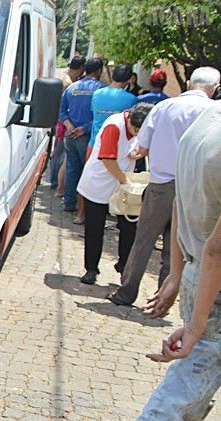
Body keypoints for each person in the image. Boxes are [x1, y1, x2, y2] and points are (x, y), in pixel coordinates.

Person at [59, 97, 221, 421]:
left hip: (201, 276)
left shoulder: (208, 120)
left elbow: (174, 203)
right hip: (219, 290)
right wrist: (194, 325)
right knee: (178, 393)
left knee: (194, 387)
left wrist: (176, 273)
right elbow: (220, 247)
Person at [108, 67, 221, 306]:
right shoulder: (214, 113)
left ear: (189, 83)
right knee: (176, 247)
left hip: (161, 185)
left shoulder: (164, 108)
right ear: (216, 89)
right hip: (193, 189)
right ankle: (163, 297)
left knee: (144, 240)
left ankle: (126, 293)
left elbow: (143, 146)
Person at [76, 102, 153, 285]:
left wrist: (138, 154)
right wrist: (125, 181)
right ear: (131, 122)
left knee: (128, 228)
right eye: (137, 131)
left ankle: (124, 265)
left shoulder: (141, 126)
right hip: (100, 182)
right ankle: (91, 269)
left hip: (122, 185)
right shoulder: (114, 125)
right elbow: (107, 159)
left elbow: (142, 148)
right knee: (94, 228)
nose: (138, 134)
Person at [59, 57, 105, 222]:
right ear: (99, 70)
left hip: (70, 134)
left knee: (72, 168)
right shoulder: (102, 90)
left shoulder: (72, 87)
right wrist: (84, 129)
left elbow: (61, 111)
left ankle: (69, 202)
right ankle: (84, 208)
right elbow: (102, 116)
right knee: (88, 172)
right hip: (88, 137)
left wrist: (70, 126)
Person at [51, 56, 86, 191]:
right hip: (63, 122)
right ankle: (56, 184)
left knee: (58, 152)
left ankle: (55, 181)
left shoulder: (64, 77)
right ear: (80, 68)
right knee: (61, 154)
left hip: (60, 120)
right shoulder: (68, 83)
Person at [89, 63, 138, 147]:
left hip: (95, 144)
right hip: (115, 146)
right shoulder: (132, 99)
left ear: (112, 75)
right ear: (129, 79)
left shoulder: (97, 94)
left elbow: (93, 114)